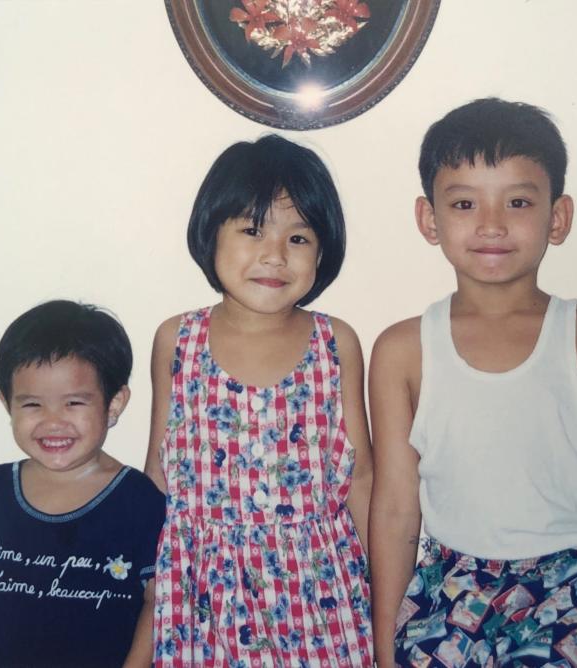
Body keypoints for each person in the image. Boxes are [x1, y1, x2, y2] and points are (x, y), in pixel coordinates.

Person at [369, 98, 577, 667]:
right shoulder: (402, 351)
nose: (492, 223)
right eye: (465, 203)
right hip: (451, 587)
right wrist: (384, 642)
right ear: (429, 219)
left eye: (518, 201)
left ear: (558, 216)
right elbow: (397, 508)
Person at [145, 135, 373, 666]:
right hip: (200, 597)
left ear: (323, 249)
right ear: (211, 233)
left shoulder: (336, 342)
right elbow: (160, 471)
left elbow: (360, 476)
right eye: (252, 230)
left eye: (298, 237)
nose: (274, 255)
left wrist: (384, 591)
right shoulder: (177, 339)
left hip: (320, 598)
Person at [0, 300, 166, 667]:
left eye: (74, 402)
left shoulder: (140, 500)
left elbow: (159, 602)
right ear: (6, 403)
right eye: (32, 405)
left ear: (114, 404)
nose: (53, 421)